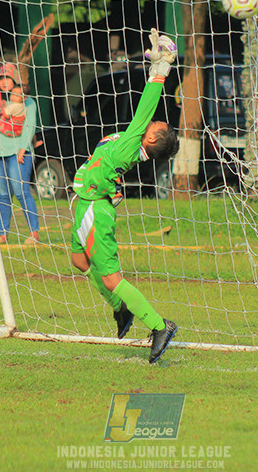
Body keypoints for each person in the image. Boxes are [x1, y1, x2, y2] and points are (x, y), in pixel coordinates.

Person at [69, 29, 180, 364]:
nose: (154, 122)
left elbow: (147, 105)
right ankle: (122, 310)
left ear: (150, 139)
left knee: (112, 278)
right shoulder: (133, 147)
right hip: (87, 205)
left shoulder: (134, 142)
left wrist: (160, 70)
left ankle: (159, 326)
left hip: (94, 211)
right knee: (78, 261)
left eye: (156, 126)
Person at [0, 64, 40, 245]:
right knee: (3, 195)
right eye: (0, 79)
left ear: (15, 79)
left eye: (7, 78)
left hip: (18, 153)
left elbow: (30, 126)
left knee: (21, 191)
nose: (4, 82)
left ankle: (34, 233)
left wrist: (23, 148)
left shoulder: (28, 101)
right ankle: (3, 233)